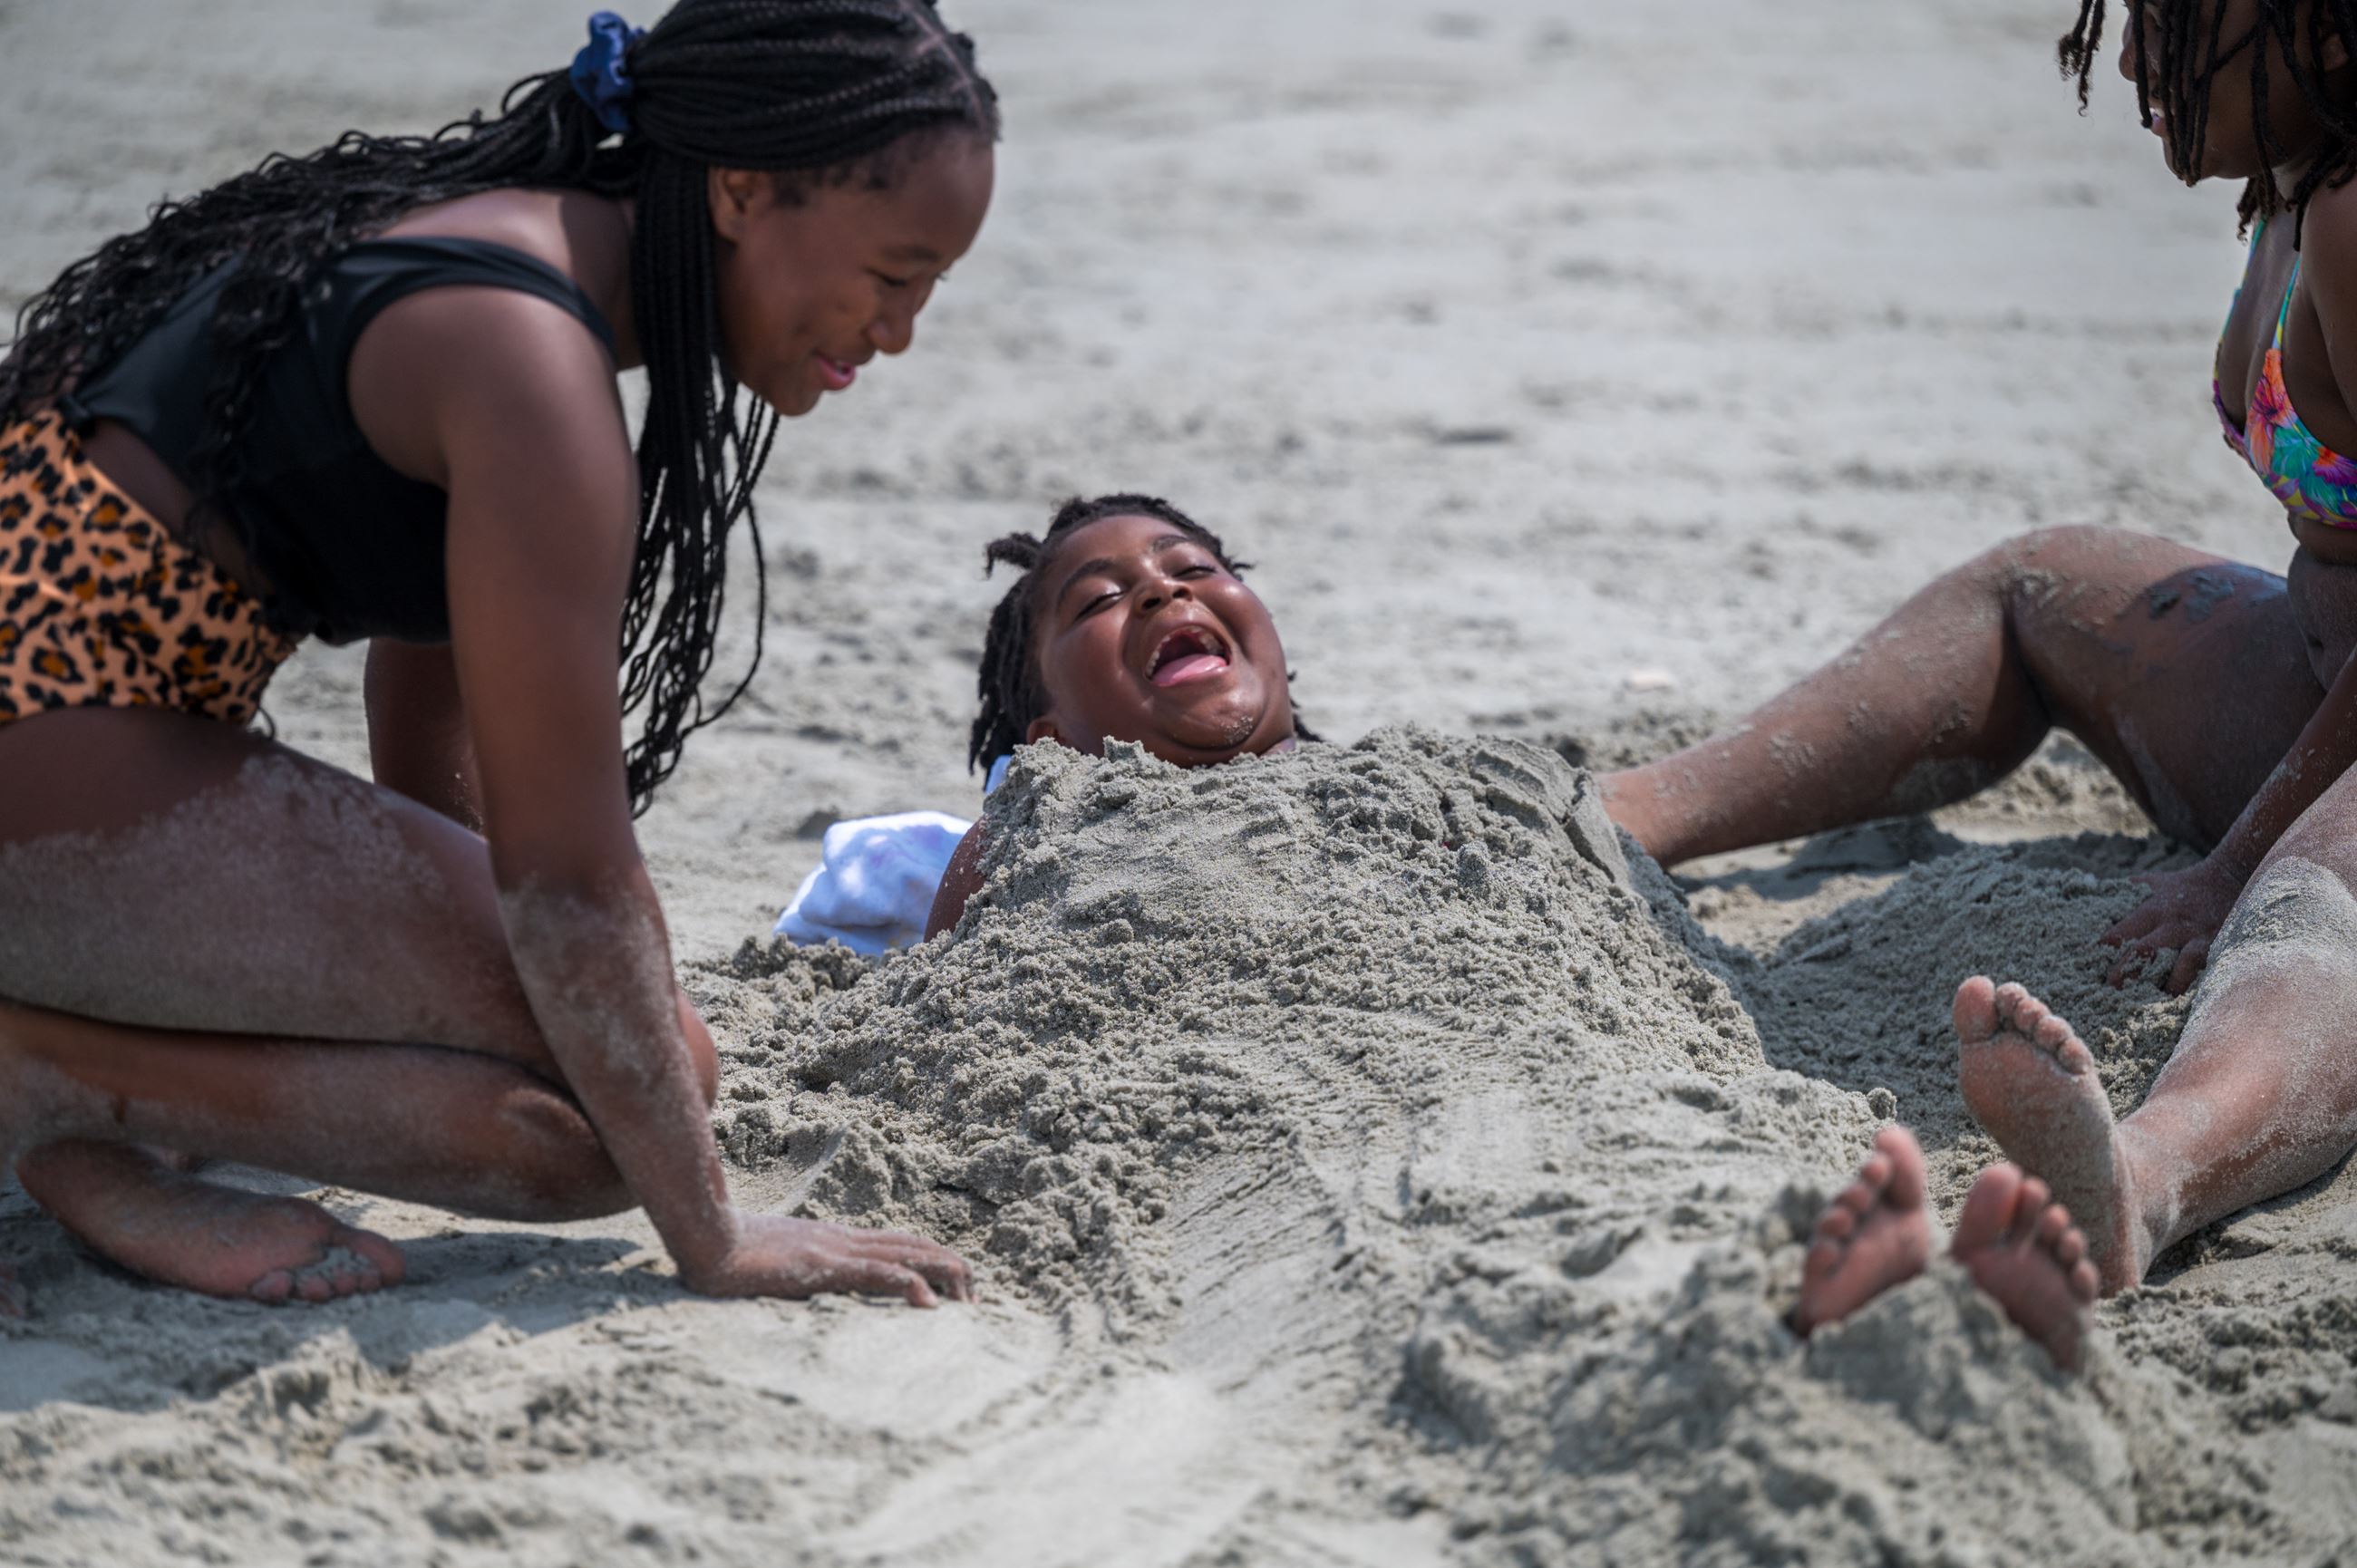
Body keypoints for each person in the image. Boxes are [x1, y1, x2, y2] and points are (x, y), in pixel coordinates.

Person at [0, 0, 999, 1318]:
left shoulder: (491, 238)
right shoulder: (530, 362)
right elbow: (568, 881)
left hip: (69, 721)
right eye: (894, 274)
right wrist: (714, 1237)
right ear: (747, 191)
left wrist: (473, 1005)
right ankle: (40, 1085)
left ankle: (81, 1099)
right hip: (40, 716)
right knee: (608, 1129)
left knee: (615, 1074)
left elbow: (428, 740)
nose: (900, 333)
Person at [924, 494, 2104, 1368]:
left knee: (1647, 1145)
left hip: (1539, 1053)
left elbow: (1632, 939)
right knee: (1459, 1234)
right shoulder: (1044, 820)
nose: (1163, 591)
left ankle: (1878, 1292)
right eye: (1098, 598)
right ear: (1043, 734)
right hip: (1284, 1108)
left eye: (1195, 568)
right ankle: (1842, 1308)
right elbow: (955, 1001)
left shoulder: (1457, 782)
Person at [1596, 0, 2357, 1299]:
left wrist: (2232, 863)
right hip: (2319, 662)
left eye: (2170, 21)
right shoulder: (2292, 187)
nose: (2124, 60)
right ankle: (1618, 819)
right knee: (2036, 587)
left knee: (2308, 910)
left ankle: (2146, 1176)